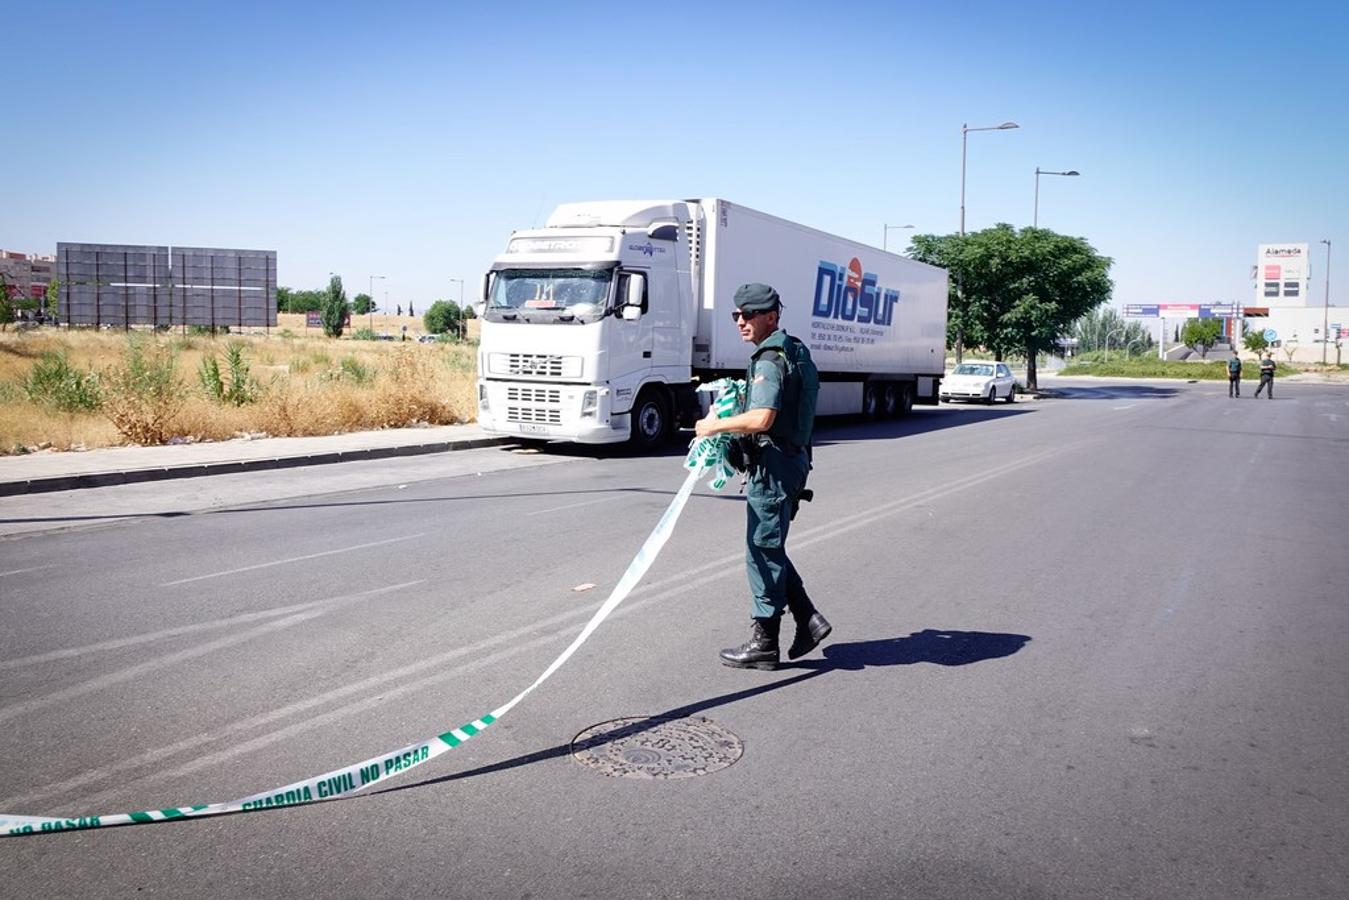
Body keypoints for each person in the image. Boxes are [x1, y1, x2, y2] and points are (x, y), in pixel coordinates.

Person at [694, 283, 831, 670]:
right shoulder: (795, 349)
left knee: (761, 551)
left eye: (749, 314)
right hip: (792, 461)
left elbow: (762, 418)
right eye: (736, 315)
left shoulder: (770, 358)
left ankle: (765, 642)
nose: (741, 321)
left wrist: (714, 427)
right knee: (768, 547)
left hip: (774, 467)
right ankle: (809, 619)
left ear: (771, 315)